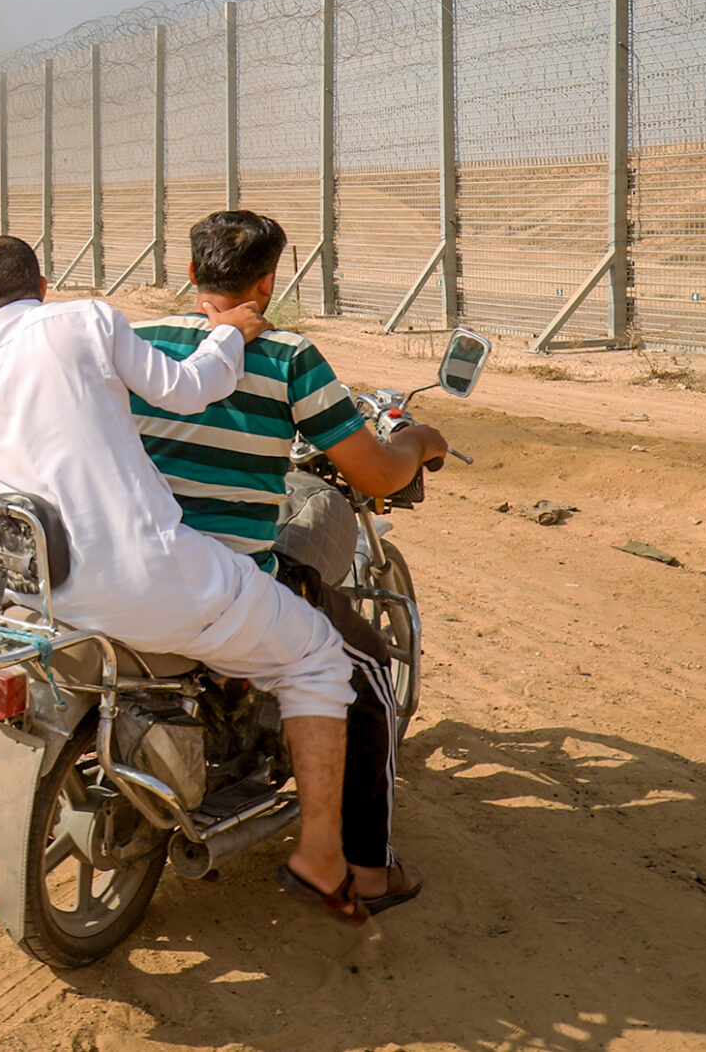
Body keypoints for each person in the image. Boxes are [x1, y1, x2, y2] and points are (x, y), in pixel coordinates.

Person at [0, 236, 376, 924]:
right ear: (42, 282)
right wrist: (227, 335)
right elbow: (191, 389)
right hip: (156, 580)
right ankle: (323, 858)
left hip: (44, 601)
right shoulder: (84, 320)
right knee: (317, 656)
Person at [129, 211, 446, 914]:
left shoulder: (137, 343)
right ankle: (363, 869)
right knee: (364, 670)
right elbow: (372, 475)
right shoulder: (288, 357)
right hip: (224, 582)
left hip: (129, 570)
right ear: (270, 281)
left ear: (189, 274)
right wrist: (420, 441)